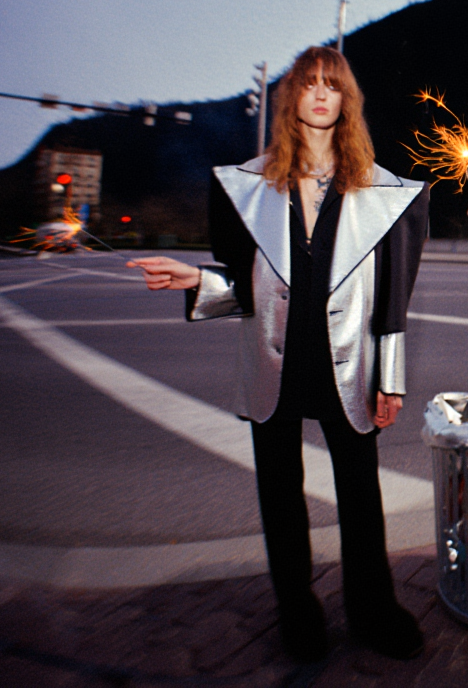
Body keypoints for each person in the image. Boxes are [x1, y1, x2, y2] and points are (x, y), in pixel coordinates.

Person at [130, 46, 429, 663]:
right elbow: (243, 291)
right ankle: (298, 614)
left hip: (349, 362)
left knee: (360, 493)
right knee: (280, 494)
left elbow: (394, 297)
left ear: (348, 102)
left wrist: (390, 378)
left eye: (333, 85)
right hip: (275, 361)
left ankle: (373, 611)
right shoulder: (247, 186)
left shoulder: (382, 190)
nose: (321, 94)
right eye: (309, 84)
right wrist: (195, 282)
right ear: (292, 97)